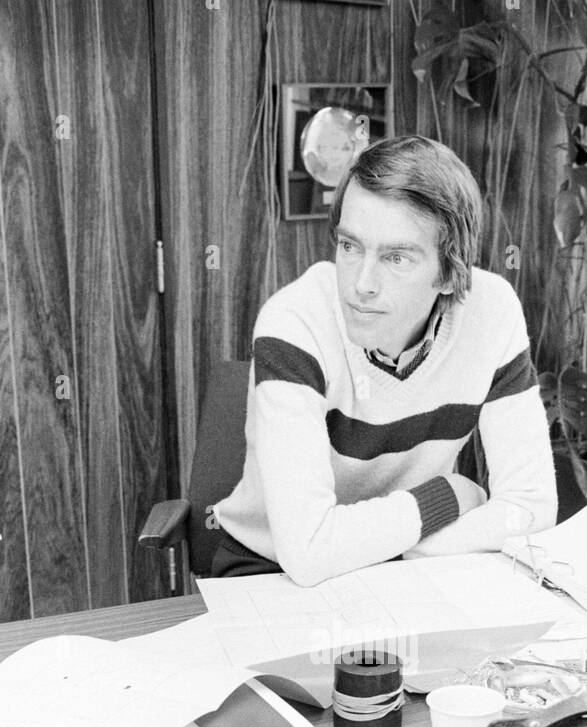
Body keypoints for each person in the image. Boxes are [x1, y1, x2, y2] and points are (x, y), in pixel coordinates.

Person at [212, 135, 556, 586]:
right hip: (268, 571)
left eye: (396, 258)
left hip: (407, 564)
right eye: (350, 247)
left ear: (452, 274)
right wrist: (450, 496)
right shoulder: (295, 321)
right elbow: (308, 553)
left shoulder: (492, 311)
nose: (361, 284)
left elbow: (532, 508)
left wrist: (392, 551)